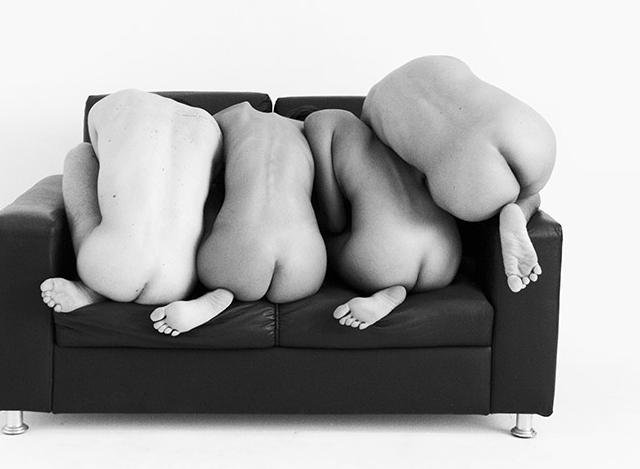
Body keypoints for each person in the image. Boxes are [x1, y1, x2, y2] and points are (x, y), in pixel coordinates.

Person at [361, 55, 557, 292]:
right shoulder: (434, 60)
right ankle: (518, 211)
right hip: (526, 131)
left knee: (496, 192)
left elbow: (400, 183)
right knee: (530, 190)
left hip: (468, 174)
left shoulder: (370, 113)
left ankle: (508, 208)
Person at [151, 101, 327, 336]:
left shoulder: (237, 113)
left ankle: (223, 293)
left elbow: (194, 162)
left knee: (210, 195)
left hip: (236, 257)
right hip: (307, 270)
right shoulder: (311, 131)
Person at [40, 89, 223, 313]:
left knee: (81, 153)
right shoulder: (210, 127)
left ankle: (92, 289)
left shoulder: (111, 104)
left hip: (110, 265)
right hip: (178, 282)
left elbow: (100, 161)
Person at [303, 108, 461, 330]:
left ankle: (390, 289)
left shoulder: (319, 122)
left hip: (383, 259)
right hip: (445, 259)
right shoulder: (387, 126)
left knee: (317, 242)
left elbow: (333, 220)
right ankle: (395, 289)